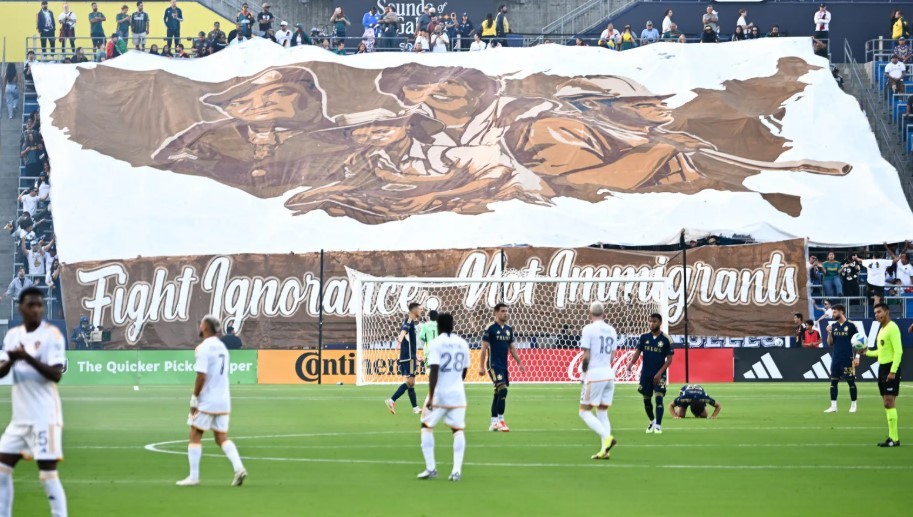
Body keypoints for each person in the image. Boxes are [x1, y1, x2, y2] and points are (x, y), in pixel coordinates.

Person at [0, 287, 68, 517]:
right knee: (1, 471)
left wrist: (27, 357)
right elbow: (1, 371)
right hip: (19, 420)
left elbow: (56, 374)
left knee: (48, 475)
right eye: (31, 305)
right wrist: (11, 361)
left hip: (44, 419)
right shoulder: (12, 336)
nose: (36, 309)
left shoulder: (52, 336)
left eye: (40, 305)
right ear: (21, 308)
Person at [176, 316, 247, 486]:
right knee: (221, 437)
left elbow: (201, 375)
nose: (199, 327)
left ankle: (193, 477)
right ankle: (239, 468)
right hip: (223, 399)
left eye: (201, 324)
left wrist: (194, 398)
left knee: (195, 434)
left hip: (207, 399)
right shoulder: (222, 347)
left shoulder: (204, 348)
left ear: (206, 328)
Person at [417, 313, 468, 482]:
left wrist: (431, 397)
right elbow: (465, 370)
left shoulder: (435, 343)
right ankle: (456, 471)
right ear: (453, 325)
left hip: (440, 394)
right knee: (457, 431)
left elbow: (434, 370)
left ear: (438, 326)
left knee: (426, 426)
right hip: (458, 394)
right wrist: (456, 383)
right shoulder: (462, 343)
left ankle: (431, 468)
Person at [578, 302, 618, 460]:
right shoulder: (612, 330)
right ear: (604, 314)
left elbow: (586, 356)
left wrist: (583, 374)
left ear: (590, 314)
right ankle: (605, 451)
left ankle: (607, 438)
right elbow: (613, 355)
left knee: (584, 412)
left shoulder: (588, 329)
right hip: (609, 374)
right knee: (602, 412)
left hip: (595, 376)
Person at [478, 303, 525, 432]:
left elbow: (512, 348)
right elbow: (484, 347)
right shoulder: (490, 328)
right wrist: (481, 366)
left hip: (504, 365)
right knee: (503, 390)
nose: (506, 313)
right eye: (503, 311)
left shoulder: (509, 329)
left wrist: (519, 363)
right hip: (493, 365)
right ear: (496, 313)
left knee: (498, 393)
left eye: (506, 311)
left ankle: (493, 423)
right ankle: (501, 420)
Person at [627, 313, 674, 434]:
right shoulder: (644, 337)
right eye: (650, 321)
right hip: (646, 374)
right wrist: (631, 363)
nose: (651, 324)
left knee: (659, 398)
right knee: (646, 400)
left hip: (659, 374)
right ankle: (652, 421)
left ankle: (658, 425)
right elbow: (638, 351)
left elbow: (669, 360)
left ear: (660, 323)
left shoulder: (666, 339)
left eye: (654, 321)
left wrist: (659, 373)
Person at [865, 303, 903, 447]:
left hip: (890, 368)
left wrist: (893, 371)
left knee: (889, 402)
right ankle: (893, 438)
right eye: (875, 313)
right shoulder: (882, 329)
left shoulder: (892, 328)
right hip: (882, 368)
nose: (877, 315)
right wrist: (867, 352)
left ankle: (894, 439)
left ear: (887, 312)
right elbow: (881, 352)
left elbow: (898, 351)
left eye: (879, 312)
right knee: (886, 404)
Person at [385, 303, 423, 415]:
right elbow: (403, 331)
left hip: (409, 356)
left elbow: (409, 341)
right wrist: (399, 341)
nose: (421, 311)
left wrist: (415, 355)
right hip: (408, 357)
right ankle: (391, 400)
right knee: (410, 381)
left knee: (411, 383)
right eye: (420, 309)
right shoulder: (409, 320)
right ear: (414, 310)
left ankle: (415, 408)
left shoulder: (410, 321)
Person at [823, 304, 859, 413]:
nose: (833, 314)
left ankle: (853, 405)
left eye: (834, 312)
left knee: (850, 382)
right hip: (836, 358)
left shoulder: (851, 325)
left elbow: (858, 342)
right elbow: (830, 343)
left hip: (848, 358)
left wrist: (857, 357)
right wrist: (829, 333)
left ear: (841, 312)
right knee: (833, 382)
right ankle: (833, 406)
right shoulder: (833, 326)